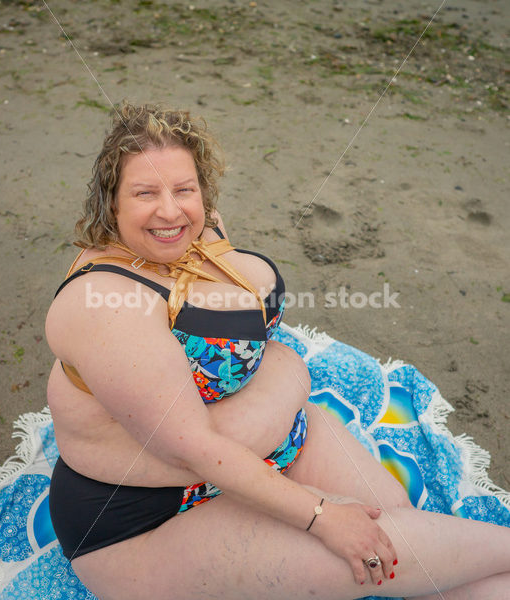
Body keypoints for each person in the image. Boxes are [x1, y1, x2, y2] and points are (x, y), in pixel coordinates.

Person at [46, 102, 510, 600]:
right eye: (145, 193)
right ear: (110, 202)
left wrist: (285, 381)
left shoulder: (198, 238)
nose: (170, 210)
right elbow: (191, 448)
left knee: (396, 524)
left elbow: (239, 338)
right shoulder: (104, 305)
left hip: (266, 451)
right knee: (386, 554)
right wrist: (320, 516)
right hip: (145, 519)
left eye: (184, 189)